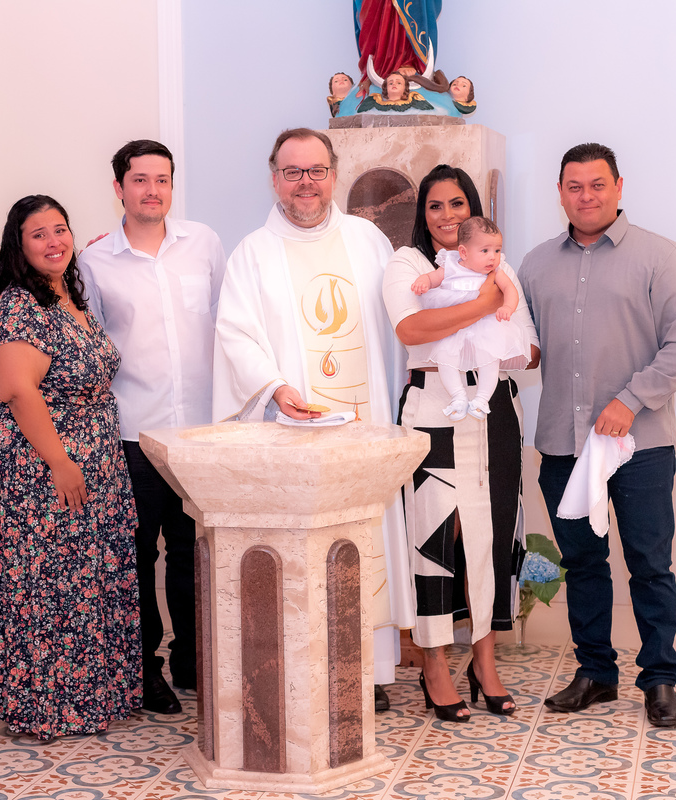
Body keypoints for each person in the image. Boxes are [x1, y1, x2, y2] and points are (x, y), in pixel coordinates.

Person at [212, 128, 414, 712]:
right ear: (274, 177)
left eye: (317, 170)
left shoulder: (368, 240)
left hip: (364, 419)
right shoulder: (252, 253)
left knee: (366, 537)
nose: (307, 182)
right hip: (291, 426)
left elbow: (400, 322)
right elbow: (236, 334)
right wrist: (275, 387)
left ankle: (367, 675)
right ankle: (305, 674)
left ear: (334, 174)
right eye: (294, 171)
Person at [517, 143, 676, 728]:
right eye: (574, 186)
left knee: (650, 562)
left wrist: (629, 399)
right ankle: (596, 673)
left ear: (619, 187)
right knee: (583, 562)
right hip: (561, 445)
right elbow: (524, 347)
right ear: (560, 193)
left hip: (641, 446)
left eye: (597, 185)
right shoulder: (533, 265)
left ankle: (659, 678)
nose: (587, 196)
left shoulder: (661, 257)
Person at [0, 195, 141, 739]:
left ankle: (90, 694)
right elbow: (17, 389)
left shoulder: (68, 296)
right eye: (38, 233)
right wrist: (62, 462)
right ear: (18, 247)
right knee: (46, 586)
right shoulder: (20, 303)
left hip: (92, 458)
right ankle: (45, 705)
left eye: (60, 229)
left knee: (84, 581)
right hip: (36, 467)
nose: (53, 241)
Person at [383, 165, 539, 722]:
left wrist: (504, 329)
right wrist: (481, 306)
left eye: (457, 204)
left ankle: (485, 660)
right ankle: (434, 664)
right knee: (436, 539)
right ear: (421, 214)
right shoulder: (409, 265)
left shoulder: (498, 261)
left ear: (472, 209)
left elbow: (528, 344)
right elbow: (412, 331)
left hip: (495, 410)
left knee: (495, 532)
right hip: (432, 408)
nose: (447, 216)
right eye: (435, 206)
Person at [78, 140, 227, 715]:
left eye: (162, 179)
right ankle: (144, 670)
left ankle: (194, 659)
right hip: (132, 435)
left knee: (196, 553)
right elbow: (87, 346)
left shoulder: (204, 244)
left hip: (199, 434)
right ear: (119, 188)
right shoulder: (94, 262)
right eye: (139, 180)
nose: (152, 190)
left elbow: (228, 325)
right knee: (137, 555)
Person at [410, 216, 533, 421]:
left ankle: (482, 399)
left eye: (496, 250)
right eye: (485, 251)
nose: (492, 257)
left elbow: (510, 289)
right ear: (463, 252)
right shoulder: (450, 265)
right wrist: (424, 281)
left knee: (489, 359)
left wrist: (507, 307)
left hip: (486, 326)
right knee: (446, 358)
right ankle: (457, 396)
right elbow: (433, 278)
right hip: (453, 325)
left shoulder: (495, 271)